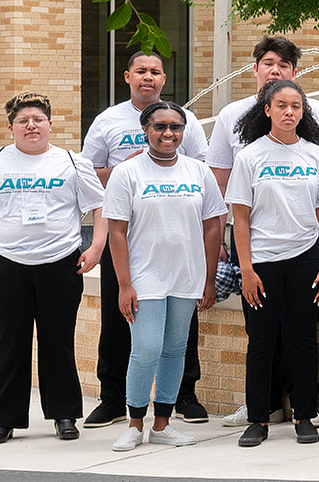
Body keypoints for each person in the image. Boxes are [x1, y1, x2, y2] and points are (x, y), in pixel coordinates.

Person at [0, 92, 106, 444]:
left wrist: (96, 246)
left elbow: (100, 205)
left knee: (58, 341)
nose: (31, 126)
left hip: (60, 263)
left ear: (50, 124)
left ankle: (64, 415)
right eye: (23, 121)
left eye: (38, 119)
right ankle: (4, 419)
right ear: (11, 128)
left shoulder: (72, 162)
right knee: (10, 342)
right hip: (4, 264)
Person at [209, 36, 319, 428]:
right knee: (261, 339)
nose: (288, 111)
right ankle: (260, 415)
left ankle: (305, 412)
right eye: (268, 63)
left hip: (305, 255)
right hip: (260, 256)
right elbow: (234, 206)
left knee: (302, 337)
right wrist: (240, 261)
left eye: (295, 105)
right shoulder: (245, 145)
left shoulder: (316, 148)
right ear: (266, 108)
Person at [79, 51, 212, 428]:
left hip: (177, 239)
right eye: (141, 71)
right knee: (118, 316)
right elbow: (88, 175)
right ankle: (113, 399)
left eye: (155, 71)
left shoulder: (185, 122)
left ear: (164, 78)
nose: (148, 77)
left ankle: (184, 395)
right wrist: (129, 166)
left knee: (181, 329)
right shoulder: (107, 121)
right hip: (124, 235)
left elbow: (201, 173)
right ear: (127, 76)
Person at [102, 101, 226, 451]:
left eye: (175, 127)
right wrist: (125, 284)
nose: (168, 133)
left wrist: (208, 278)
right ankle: (134, 423)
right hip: (145, 276)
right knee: (145, 349)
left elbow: (212, 226)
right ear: (145, 130)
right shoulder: (128, 173)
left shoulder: (197, 172)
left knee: (174, 350)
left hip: (186, 275)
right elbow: (116, 232)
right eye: (160, 126)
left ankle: (162, 424)